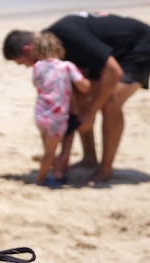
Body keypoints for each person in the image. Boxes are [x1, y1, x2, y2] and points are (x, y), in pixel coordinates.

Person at [3, 11, 150, 185]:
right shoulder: (52, 45)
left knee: (110, 102)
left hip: (141, 46)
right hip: (113, 53)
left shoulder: (66, 33)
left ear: (28, 49)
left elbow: (113, 72)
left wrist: (90, 113)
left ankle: (105, 168)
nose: (28, 67)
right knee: (77, 95)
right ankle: (90, 158)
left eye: (24, 63)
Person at [25, 32, 91, 187]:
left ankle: (58, 173)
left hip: (40, 114)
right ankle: (41, 179)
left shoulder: (37, 67)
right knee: (50, 152)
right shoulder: (67, 66)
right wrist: (85, 78)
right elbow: (84, 87)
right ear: (59, 49)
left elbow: (36, 85)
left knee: (47, 147)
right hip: (57, 117)